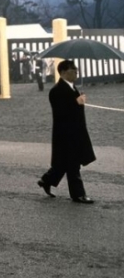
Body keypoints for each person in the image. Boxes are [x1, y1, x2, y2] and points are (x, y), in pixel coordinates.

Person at [37, 60, 96, 204]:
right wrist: (77, 103)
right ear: (63, 72)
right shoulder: (56, 90)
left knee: (63, 164)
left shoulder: (72, 88)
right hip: (65, 134)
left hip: (76, 132)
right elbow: (60, 113)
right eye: (73, 70)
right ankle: (78, 194)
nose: (76, 72)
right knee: (73, 165)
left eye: (76, 69)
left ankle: (46, 180)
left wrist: (78, 102)